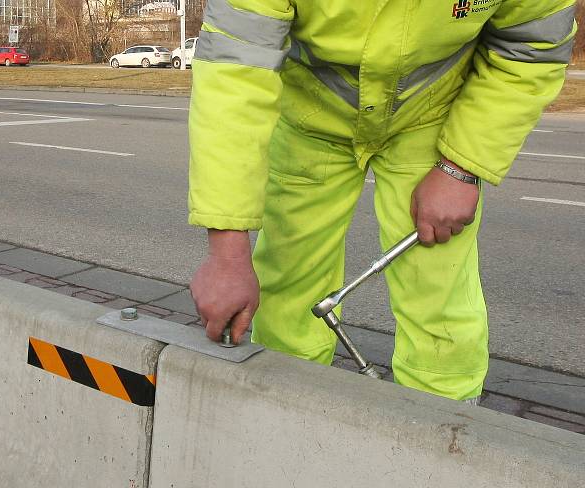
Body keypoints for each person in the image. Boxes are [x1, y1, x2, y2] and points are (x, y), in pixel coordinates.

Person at [188, 0, 576, 402]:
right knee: (289, 284)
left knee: (437, 291)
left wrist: (461, 165)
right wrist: (227, 254)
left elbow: (532, 49)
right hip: (311, 114)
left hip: (432, 115)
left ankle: (445, 435)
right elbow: (234, 75)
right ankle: (283, 409)